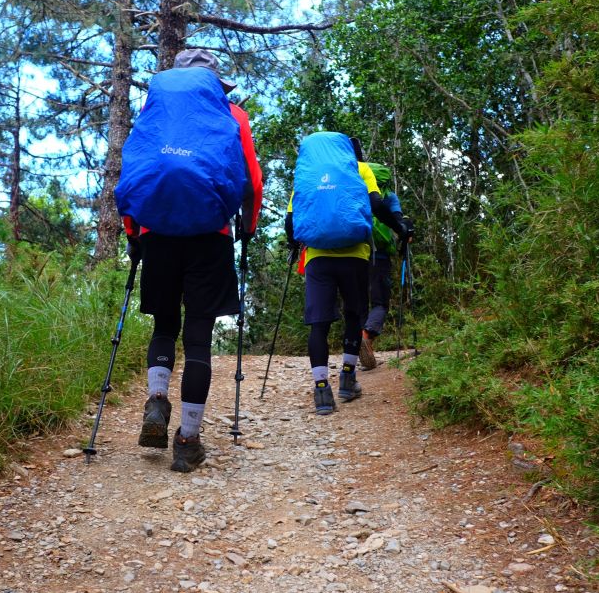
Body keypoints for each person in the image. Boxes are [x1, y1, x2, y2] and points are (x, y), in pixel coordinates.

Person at [121, 49, 263, 472]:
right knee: (198, 338)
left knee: (165, 325)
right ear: (215, 82)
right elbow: (251, 182)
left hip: (156, 235)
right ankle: (187, 440)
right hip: (210, 237)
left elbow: (135, 172)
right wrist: (248, 228)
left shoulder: (154, 111)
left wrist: (133, 234)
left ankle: (157, 401)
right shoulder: (232, 115)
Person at [285, 134, 406, 415]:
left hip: (317, 257)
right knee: (354, 314)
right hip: (355, 254)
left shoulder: (308, 174)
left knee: (319, 323)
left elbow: (291, 220)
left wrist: (294, 244)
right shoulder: (360, 169)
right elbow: (376, 206)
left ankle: (321, 391)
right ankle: (348, 379)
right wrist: (400, 227)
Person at [358, 162, 411, 370]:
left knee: (359, 301)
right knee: (380, 302)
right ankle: (366, 336)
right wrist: (405, 232)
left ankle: (358, 347)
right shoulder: (388, 196)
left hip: (355, 251)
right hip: (379, 255)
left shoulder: (355, 190)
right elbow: (398, 222)